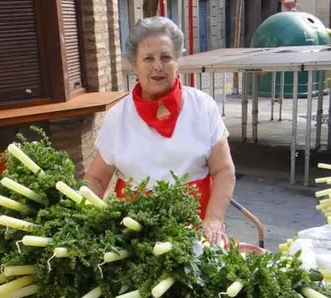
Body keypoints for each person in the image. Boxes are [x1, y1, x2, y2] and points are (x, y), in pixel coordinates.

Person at [85, 16, 236, 246]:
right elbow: (96, 178)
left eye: (166, 57)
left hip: (195, 231)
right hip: (134, 235)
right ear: (134, 65)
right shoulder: (118, 116)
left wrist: (214, 219)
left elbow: (224, 170)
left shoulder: (202, 106)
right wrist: (89, 219)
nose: (158, 66)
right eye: (148, 58)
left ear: (177, 62)